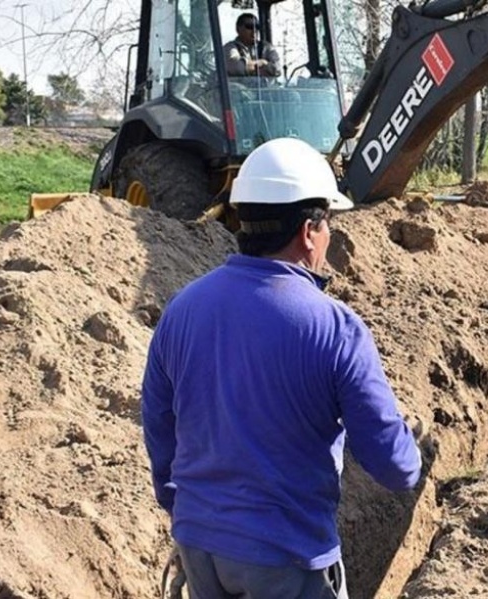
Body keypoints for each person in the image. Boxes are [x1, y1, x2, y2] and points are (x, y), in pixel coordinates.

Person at [141, 137, 423, 598]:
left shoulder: (183, 309)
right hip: (285, 557)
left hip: (200, 546)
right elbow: (393, 466)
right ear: (309, 231)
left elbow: (158, 424)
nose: (330, 236)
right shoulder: (335, 328)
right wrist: (412, 455)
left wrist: (182, 505)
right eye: (329, 222)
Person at [223, 13, 282, 78]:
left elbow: (277, 69)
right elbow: (237, 67)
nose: (254, 30)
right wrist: (263, 63)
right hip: (239, 87)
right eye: (249, 26)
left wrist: (252, 68)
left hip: (267, 88)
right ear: (238, 29)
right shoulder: (230, 48)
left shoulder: (266, 47)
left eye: (257, 27)